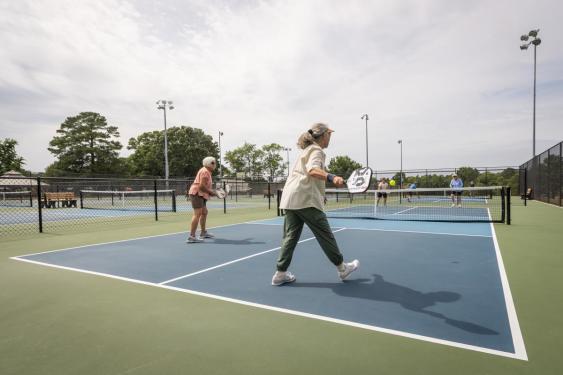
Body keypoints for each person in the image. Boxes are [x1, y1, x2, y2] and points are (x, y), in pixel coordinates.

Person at [272, 123, 360, 286]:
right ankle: (342, 268)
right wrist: (332, 177)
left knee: (290, 237)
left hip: (290, 199)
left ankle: (280, 273)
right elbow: (312, 170)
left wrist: (321, 194)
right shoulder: (316, 150)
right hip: (306, 200)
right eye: (329, 134)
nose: (330, 138)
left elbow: (306, 175)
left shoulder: (305, 151)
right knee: (325, 235)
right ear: (323, 135)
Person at [186, 156, 218, 243]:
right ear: (209, 163)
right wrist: (212, 193)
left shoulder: (207, 171)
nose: (215, 164)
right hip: (197, 193)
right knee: (197, 214)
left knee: (204, 212)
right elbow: (201, 186)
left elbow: (205, 187)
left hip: (201, 194)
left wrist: (212, 192)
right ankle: (192, 236)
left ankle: (203, 233)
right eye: (213, 163)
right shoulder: (205, 172)